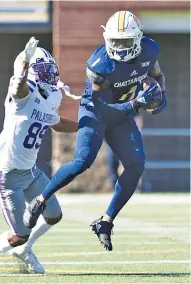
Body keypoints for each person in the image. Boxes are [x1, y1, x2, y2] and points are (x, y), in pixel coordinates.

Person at [23, 11, 167, 251]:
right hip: (95, 110)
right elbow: (103, 110)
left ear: (138, 39)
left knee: (136, 165)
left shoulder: (149, 51)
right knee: (82, 161)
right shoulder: (100, 64)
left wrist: (159, 95)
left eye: (125, 41)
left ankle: (106, 221)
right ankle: (39, 201)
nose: (120, 47)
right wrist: (136, 104)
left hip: (125, 111)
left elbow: (157, 75)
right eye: (115, 41)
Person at [0, 37, 78, 275]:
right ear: (31, 72)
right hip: (8, 174)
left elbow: (58, 123)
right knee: (20, 234)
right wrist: (22, 68)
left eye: (50, 70)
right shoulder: (22, 94)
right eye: (42, 70)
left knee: (54, 215)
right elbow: (20, 86)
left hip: (31, 171)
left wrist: (87, 125)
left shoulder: (51, 96)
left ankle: (24, 250)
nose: (49, 74)